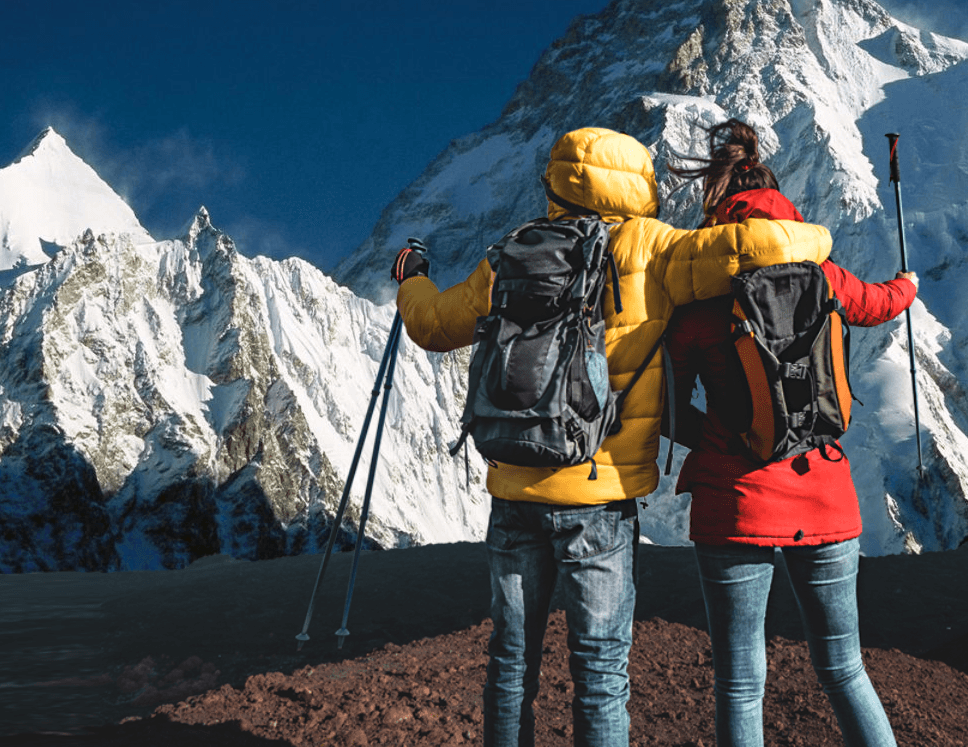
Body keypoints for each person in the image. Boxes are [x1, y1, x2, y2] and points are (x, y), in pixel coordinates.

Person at [392, 126, 835, 747]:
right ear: (639, 185)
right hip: (599, 497)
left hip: (516, 486)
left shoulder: (512, 253)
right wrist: (821, 239)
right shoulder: (653, 249)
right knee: (599, 673)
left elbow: (433, 326)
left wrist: (411, 279)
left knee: (510, 665)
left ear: (555, 184)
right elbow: (769, 246)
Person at [666, 119, 917, 747]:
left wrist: (724, 443)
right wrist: (908, 286)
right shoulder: (824, 276)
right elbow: (881, 303)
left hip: (734, 501)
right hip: (825, 492)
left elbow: (669, 409)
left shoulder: (697, 300)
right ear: (784, 210)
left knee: (740, 682)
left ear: (720, 214)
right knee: (843, 668)